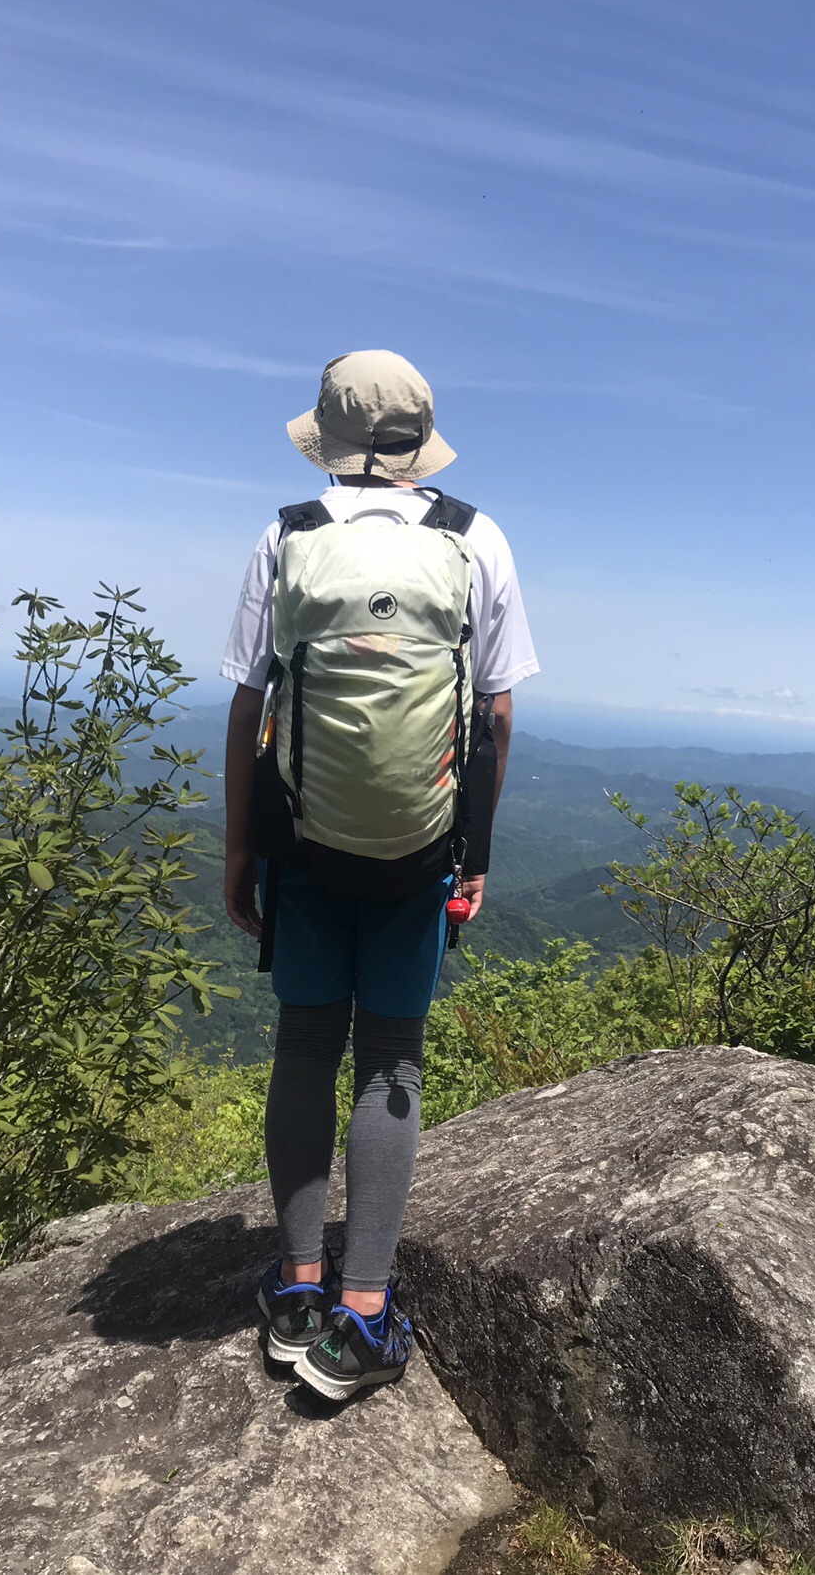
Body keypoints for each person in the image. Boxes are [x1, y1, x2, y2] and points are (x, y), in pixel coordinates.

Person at [220, 349, 538, 1401]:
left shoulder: (287, 535)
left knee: (305, 1045)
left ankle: (297, 1291)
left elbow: (249, 704)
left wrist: (240, 847)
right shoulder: (474, 537)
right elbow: (496, 716)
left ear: (327, 436)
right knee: (390, 1059)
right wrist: (472, 853)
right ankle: (362, 1314)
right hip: (418, 851)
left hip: (304, 843)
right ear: (418, 441)